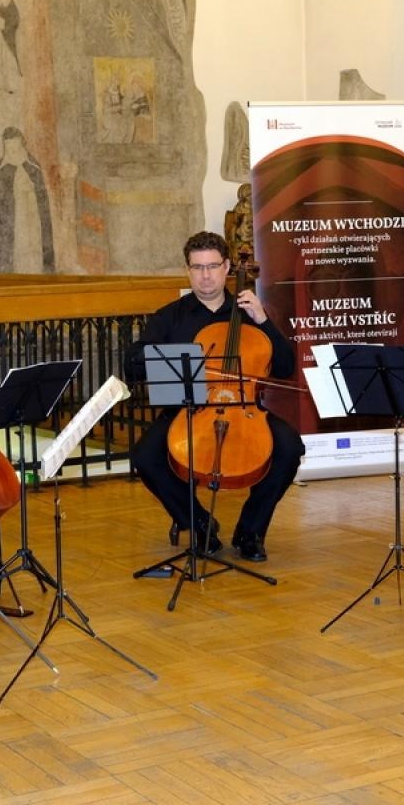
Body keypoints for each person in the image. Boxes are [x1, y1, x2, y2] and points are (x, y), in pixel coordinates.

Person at [124, 230, 304, 561]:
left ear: (227, 267)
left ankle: (251, 531)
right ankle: (200, 523)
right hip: (187, 411)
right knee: (145, 457)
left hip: (245, 408)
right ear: (188, 270)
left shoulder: (250, 312)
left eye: (212, 266)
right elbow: (133, 364)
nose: (205, 276)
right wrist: (164, 356)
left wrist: (263, 321)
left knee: (290, 447)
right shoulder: (170, 316)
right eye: (197, 267)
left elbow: (285, 366)